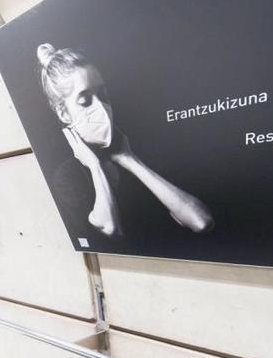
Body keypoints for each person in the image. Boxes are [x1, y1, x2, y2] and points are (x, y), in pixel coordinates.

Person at [36, 43, 214, 239]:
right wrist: (95, 167)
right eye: (85, 100)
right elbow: (110, 229)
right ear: (63, 113)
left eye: (102, 95)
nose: (101, 107)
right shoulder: (67, 177)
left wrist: (130, 160)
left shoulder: (135, 149)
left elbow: (201, 221)